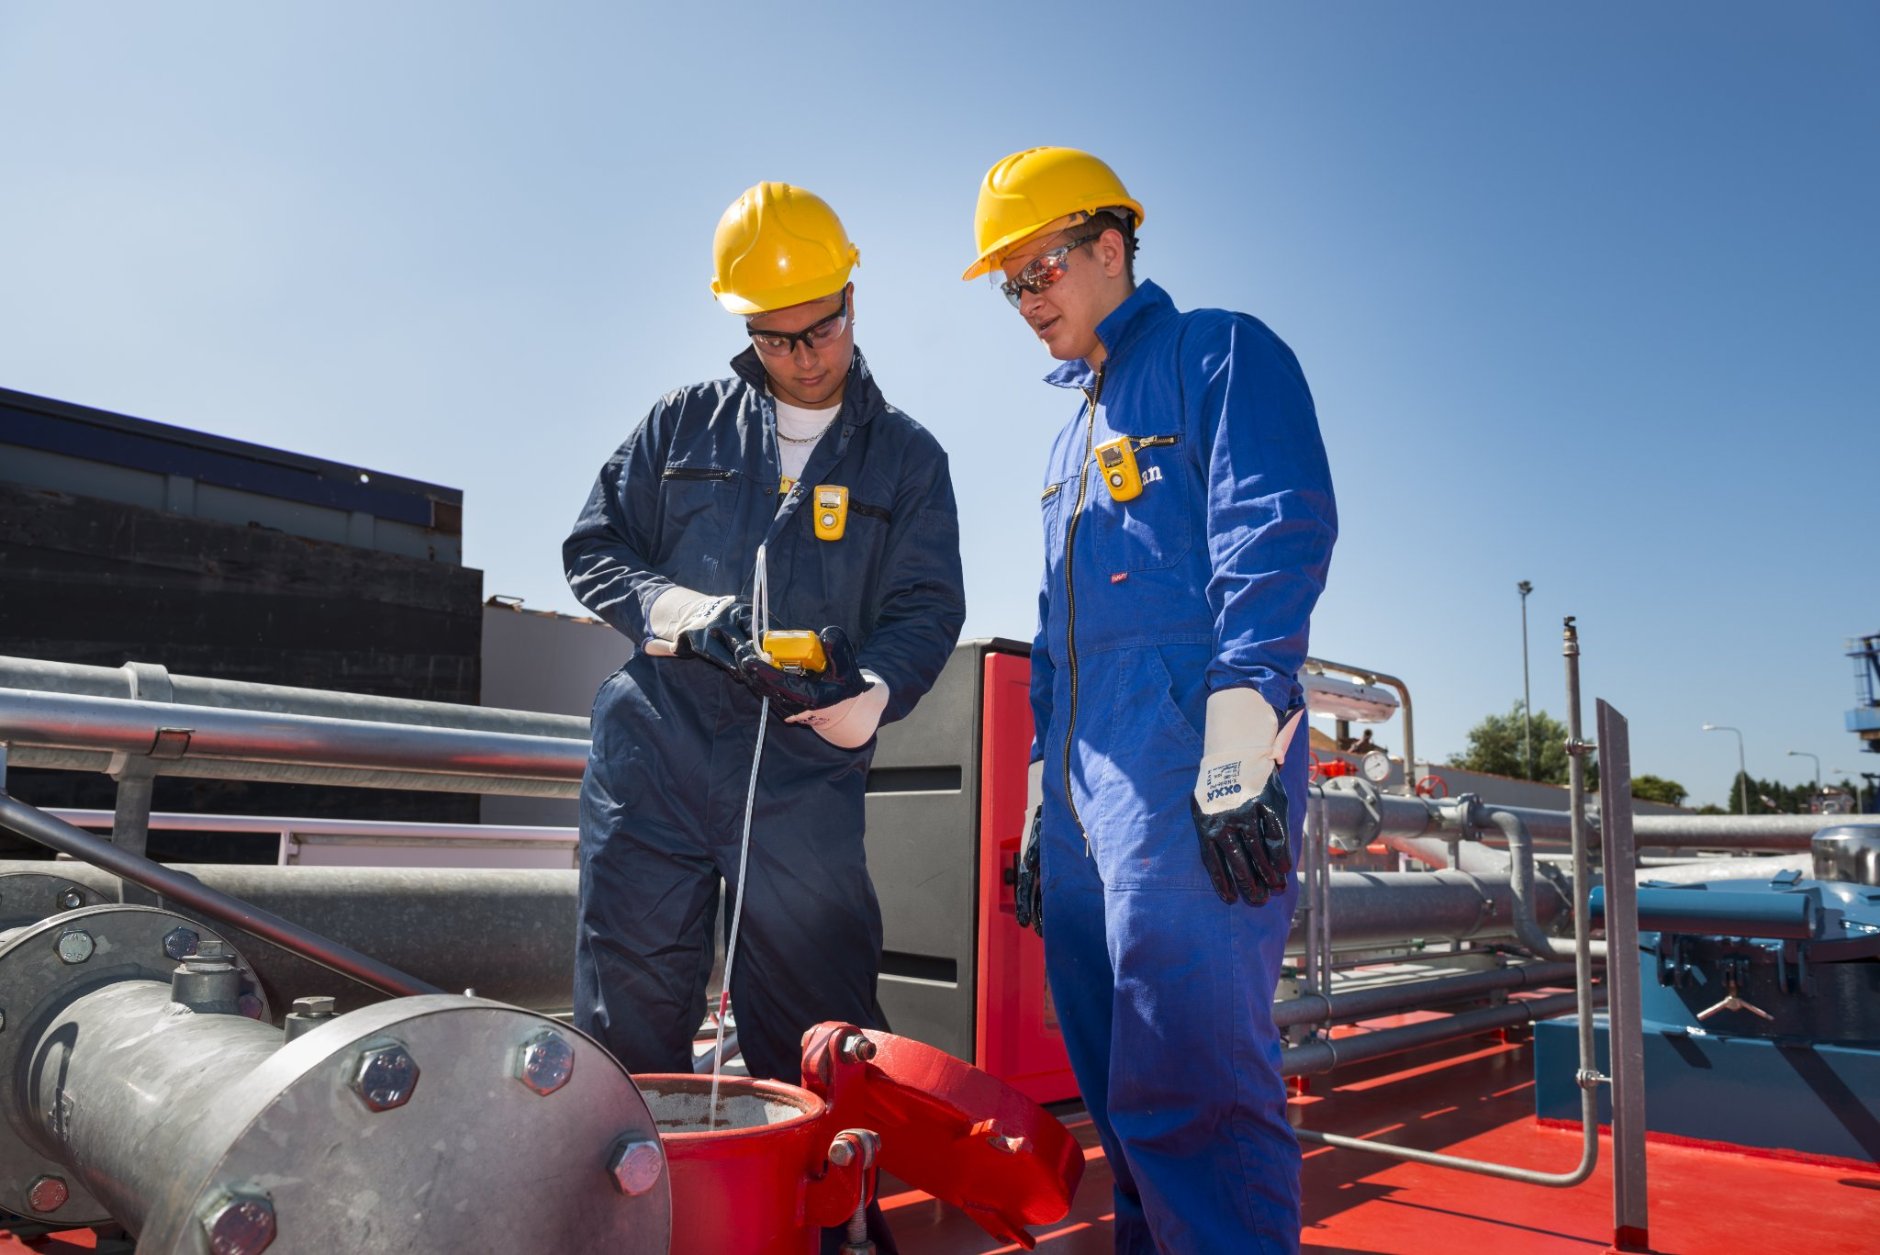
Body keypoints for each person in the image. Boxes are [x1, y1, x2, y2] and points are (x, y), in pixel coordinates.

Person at [567, 182, 965, 1253]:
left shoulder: (907, 460)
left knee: (816, 1026)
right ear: (744, 324)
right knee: (628, 1019)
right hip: (654, 752)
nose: (803, 354)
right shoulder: (678, 424)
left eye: (821, 326)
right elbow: (593, 550)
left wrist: (869, 700)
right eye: (775, 335)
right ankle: (631, 1230)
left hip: (802, 770)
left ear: (850, 291)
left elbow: (926, 608)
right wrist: (688, 615)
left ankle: (831, 1231)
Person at [965, 147, 1337, 1253]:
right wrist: (1040, 794)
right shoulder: (1068, 433)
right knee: (1118, 1083)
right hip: (1085, 791)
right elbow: (1055, 631)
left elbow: (1273, 530)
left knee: (1190, 1083)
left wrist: (1237, 743)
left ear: (1109, 246)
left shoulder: (1216, 351)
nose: (1026, 302)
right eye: (1010, 285)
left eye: (1040, 271)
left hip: (1184, 769)